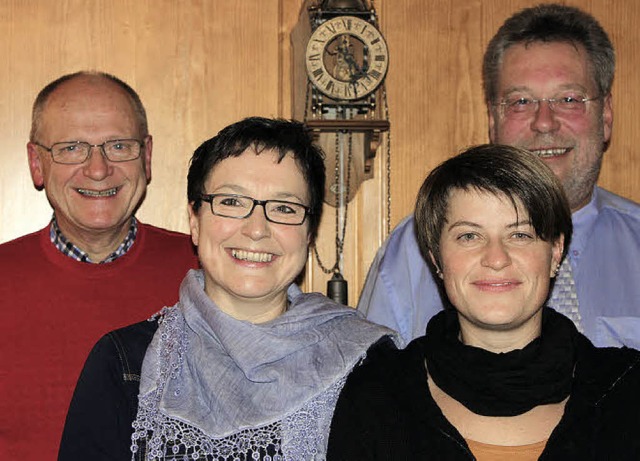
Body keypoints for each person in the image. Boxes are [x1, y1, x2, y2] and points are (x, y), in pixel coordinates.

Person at [58, 117, 397, 460]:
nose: (256, 229)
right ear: (194, 220)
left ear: (309, 233)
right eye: (232, 202)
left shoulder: (364, 361)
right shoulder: (126, 363)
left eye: (284, 208)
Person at [328, 145, 640, 460]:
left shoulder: (627, 390)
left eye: (520, 235)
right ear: (436, 258)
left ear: (555, 252)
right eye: (469, 236)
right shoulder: (377, 396)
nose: (496, 259)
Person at [358, 3, 640, 348]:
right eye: (521, 101)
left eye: (568, 98)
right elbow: (376, 385)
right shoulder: (412, 251)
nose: (545, 121)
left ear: (606, 115)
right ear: (493, 119)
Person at [0, 71, 199, 459]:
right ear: (36, 163)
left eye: (119, 146)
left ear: (147, 156)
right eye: (72, 148)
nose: (97, 168)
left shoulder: (208, 276)